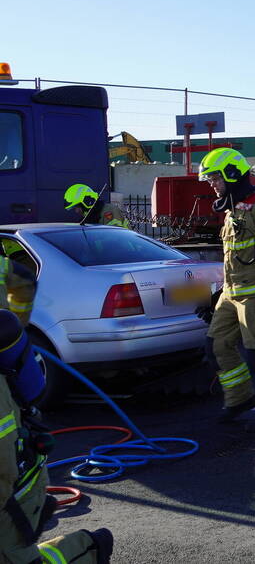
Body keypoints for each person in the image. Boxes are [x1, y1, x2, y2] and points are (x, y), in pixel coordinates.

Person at [0, 258, 114, 563]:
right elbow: (23, 279)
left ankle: (90, 548)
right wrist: (18, 328)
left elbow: (3, 465)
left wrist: (14, 336)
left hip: (12, 483)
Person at [199, 148, 255, 432]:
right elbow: (232, 257)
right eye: (210, 180)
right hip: (231, 293)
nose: (212, 184)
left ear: (232, 175)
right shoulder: (231, 210)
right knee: (216, 346)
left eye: (215, 178)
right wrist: (219, 293)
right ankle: (240, 399)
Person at [63, 184, 129, 228]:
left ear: (87, 201)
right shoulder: (89, 217)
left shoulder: (109, 211)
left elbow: (114, 237)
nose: (76, 211)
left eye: (77, 207)